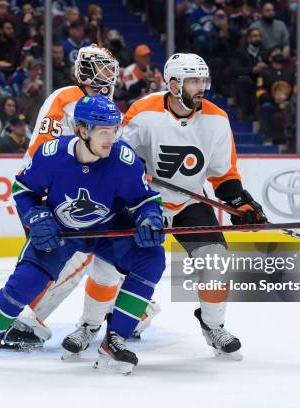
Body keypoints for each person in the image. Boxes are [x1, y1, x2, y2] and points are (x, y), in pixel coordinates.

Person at [0, 95, 166, 375]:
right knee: (23, 283)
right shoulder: (51, 155)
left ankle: (115, 341)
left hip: (106, 231)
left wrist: (150, 217)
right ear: (83, 130)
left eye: (114, 130)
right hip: (60, 232)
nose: (111, 138)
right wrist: (36, 216)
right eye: (103, 132)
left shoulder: (124, 160)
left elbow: (145, 199)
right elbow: (24, 189)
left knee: (152, 258)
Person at [120, 53, 267, 360]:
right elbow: (120, 161)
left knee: (215, 262)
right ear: (173, 84)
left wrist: (239, 202)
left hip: (188, 201)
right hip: (147, 202)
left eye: (204, 80)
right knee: (116, 264)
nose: (202, 87)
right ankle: (111, 320)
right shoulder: (143, 112)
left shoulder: (216, 118)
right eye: (194, 81)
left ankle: (213, 326)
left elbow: (223, 172)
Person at [0, 45, 124, 352]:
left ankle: (137, 312)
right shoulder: (66, 98)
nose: (109, 74)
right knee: (75, 256)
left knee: (109, 252)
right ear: (86, 70)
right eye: (103, 67)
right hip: (49, 197)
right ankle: (23, 320)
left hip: (77, 200)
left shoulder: (104, 104)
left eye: (110, 68)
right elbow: (45, 151)